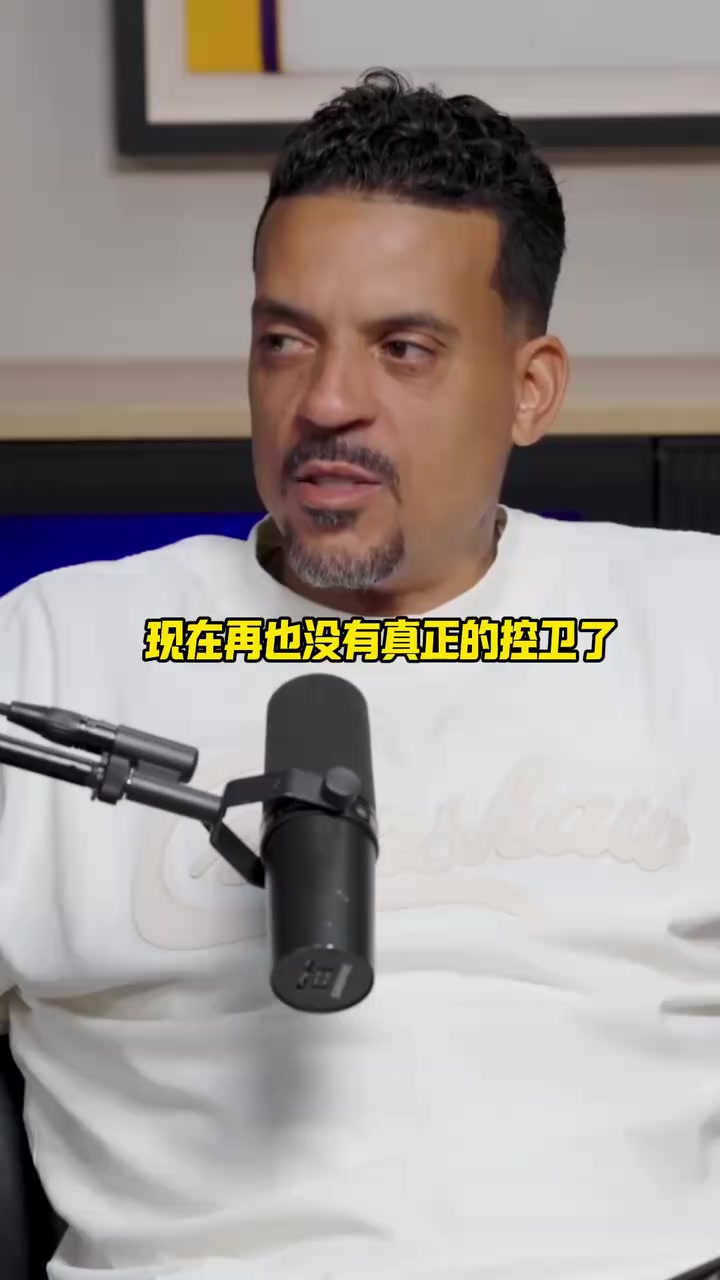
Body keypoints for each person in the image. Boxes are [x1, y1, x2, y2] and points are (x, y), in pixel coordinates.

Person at [1, 68, 719, 1280]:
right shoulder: (55, 650)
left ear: (531, 388)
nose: (327, 402)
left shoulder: (694, 622)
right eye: (286, 340)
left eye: (405, 349)